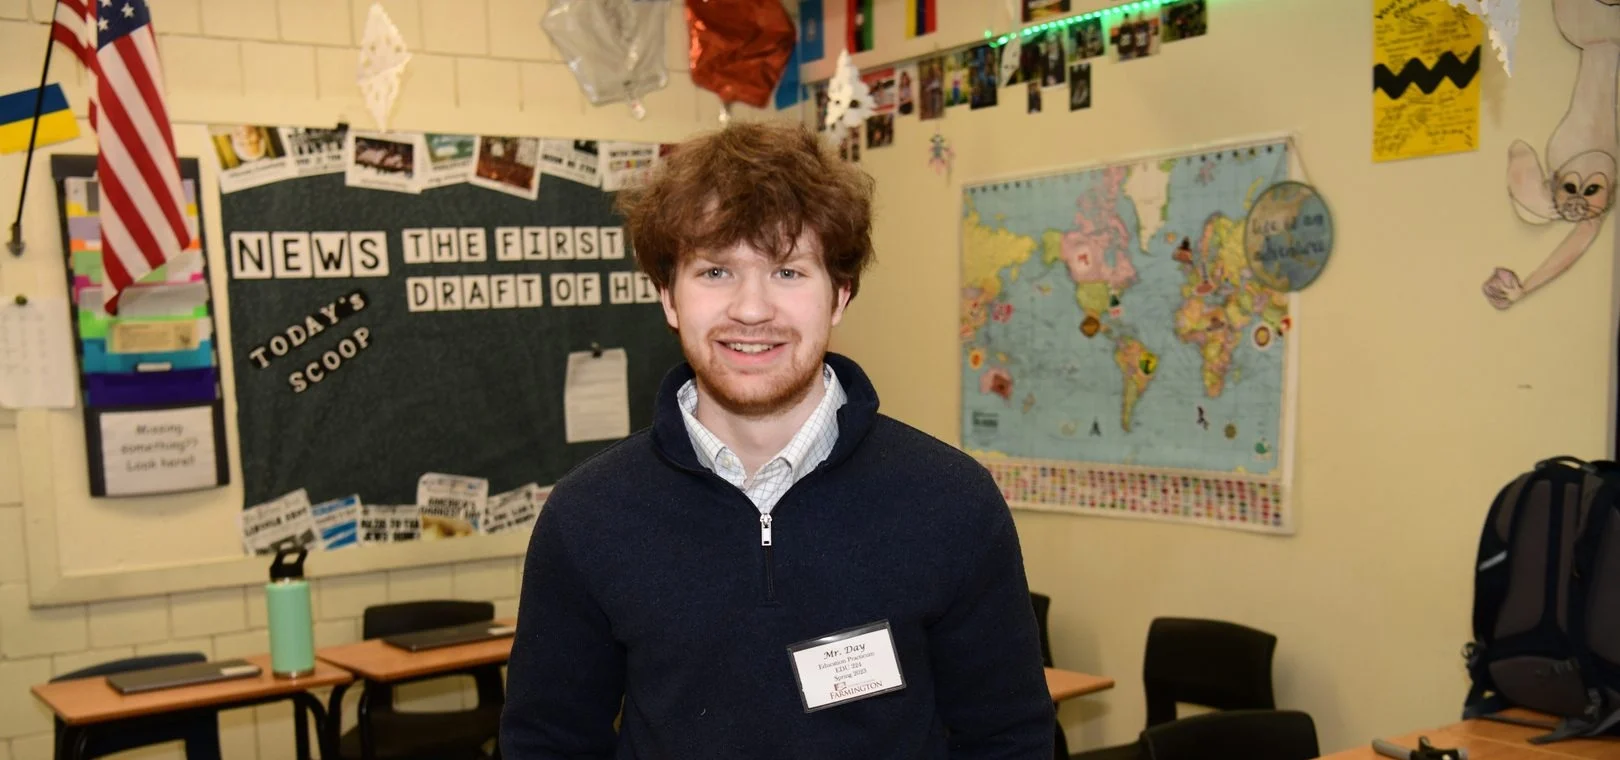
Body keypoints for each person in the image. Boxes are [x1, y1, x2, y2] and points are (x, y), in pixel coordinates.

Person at [500, 121, 1054, 759]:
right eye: (715, 271)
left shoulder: (951, 501)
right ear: (668, 297)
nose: (753, 309)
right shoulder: (587, 517)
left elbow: (1008, 738)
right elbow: (547, 743)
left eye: (788, 272)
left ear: (840, 295)